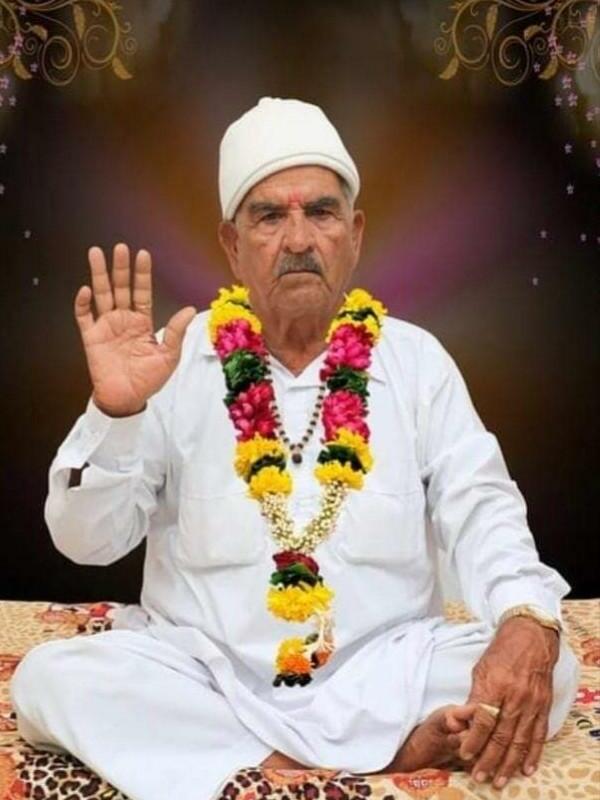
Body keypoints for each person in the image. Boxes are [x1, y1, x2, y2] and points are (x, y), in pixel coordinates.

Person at [11, 96, 578, 800]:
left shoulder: (416, 362)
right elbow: (86, 543)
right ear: (232, 243)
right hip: (209, 675)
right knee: (50, 681)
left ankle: (244, 757)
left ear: (355, 233)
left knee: (551, 665)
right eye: (270, 217)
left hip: (384, 672)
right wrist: (116, 413)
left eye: (321, 212)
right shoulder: (170, 365)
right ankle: (367, 752)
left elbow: (482, 507)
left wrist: (525, 619)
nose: (299, 238)